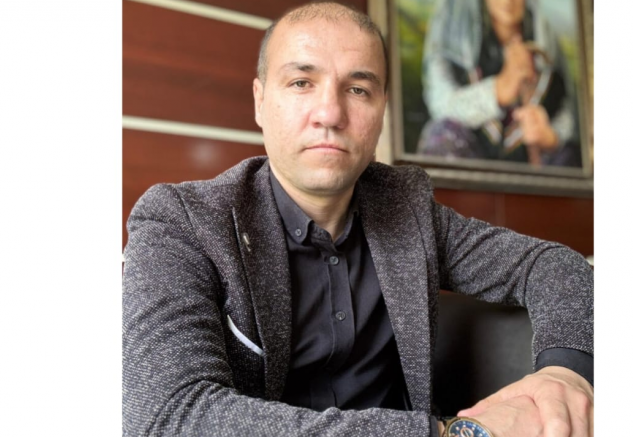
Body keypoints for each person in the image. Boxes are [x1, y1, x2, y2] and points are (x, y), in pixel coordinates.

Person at [122, 2, 593, 436]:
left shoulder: (406, 208)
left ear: (381, 109)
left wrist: (565, 373)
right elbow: (168, 416)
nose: (330, 113)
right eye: (301, 83)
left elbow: (553, 266)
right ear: (260, 101)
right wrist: (445, 434)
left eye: (358, 89)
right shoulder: (181, 223)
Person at [418, 0, 582, 167]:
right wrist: (498, 90)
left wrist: (549, 137)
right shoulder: (456, 41)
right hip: (471, 162)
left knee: (567, 156)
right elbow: (440, 103)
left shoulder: (546, 45)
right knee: (442, 136)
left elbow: (567, 117)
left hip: (528, 169)